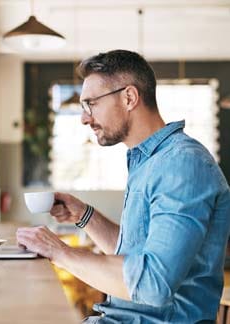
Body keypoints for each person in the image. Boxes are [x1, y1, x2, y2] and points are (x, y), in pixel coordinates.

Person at [16, 50, 230, 323]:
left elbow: (153, 284)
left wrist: (58, 251)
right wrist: (84, 215)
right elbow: (135, 255)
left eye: (90, 104)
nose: (84, 118)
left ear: (129, 97)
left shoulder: (182, 164)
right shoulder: (149, 162)